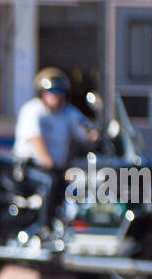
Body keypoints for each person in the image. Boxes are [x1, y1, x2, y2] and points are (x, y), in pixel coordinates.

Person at [11, 67, 98, 244]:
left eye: (60, 91)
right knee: (50, 182)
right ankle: (45, 229)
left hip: (57, 168)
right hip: (29, 167)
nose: (56, 95)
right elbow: (37, 140)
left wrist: (97, 135)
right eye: (51, 91)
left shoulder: (67, 112)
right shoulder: (33, 110)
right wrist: (50, 163)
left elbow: (86, 130)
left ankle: (70, 228)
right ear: (42, 93)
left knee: (80, 184)